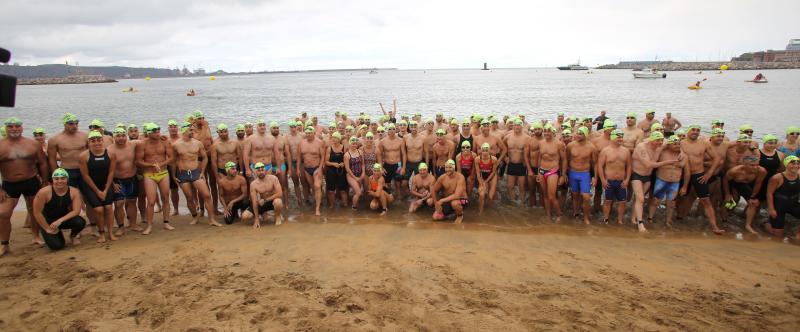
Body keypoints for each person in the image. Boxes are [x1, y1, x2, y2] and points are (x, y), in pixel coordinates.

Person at [0, 117, 49, 254]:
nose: (14, 129)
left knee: (34, 211)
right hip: (9, 184)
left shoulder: (32, 144)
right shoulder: (1, 145)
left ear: (22, 128)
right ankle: (4, 243)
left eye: (17, 126)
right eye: (11, 126)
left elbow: (43, 163)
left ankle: (36, 236)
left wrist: (45, 182)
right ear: (6, 128)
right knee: (3, 214)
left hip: (31, 181)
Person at [172, 122, 221, 227]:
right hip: (183, 173)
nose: (193, 132)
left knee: (207, 195)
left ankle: (211, 219)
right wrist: (173, 175)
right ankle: (195, 216)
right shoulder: (176, 145)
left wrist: (202, 172)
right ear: (185, 130)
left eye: (193, 130)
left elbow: (205, 157)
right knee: (189, 197)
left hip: (195, 172)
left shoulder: (197, 143)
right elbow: (173, 160)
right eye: (191, 130)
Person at [680, 125, 724, 234]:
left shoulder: (703, 143)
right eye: (693, 130)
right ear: (688, 131)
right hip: (684, 175)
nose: (695, 132)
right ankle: (679, 219)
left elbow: (717, 158)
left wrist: (709, 173)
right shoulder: (680, 143)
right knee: (680, 198)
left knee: (706, 200)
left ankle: (714, 227)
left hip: (699, 175)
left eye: (698, 130)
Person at [630, 131, 676, 230]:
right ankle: (640, 223)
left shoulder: (661, 144)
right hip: (637, 175)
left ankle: (633, 218)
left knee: (638, 199)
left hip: (648, 176)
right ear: (651, 140)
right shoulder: (642, 147)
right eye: (657, 140)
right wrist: (667, 162)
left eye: (661, 140)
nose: (660, 142)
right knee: (641, 199)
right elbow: (648, 164)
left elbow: (674, 141)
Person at [135, 123, 175, 235]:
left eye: (158, 130)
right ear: (148, 133)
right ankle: (149, 225)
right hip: (149, 174)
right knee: (151, 201)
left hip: (163, 173)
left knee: (166, 198)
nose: (158, 133)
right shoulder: (142, 144)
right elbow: (138, 161)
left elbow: (172, 157)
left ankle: (166, 222)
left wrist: (161, 164)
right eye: (154, 131)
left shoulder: (165, 142)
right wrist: (151, 165)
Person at [32, 168, 86, 251]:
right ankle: (54, 234)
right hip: (48, 221)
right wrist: (47, 228)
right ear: (52, 180)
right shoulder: (43, 192)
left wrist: (60, 220)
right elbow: (37, 213)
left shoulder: (74, 191)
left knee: (80, 222)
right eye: (56, 179)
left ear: (67, 179)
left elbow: (76, 211)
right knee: (57, 246)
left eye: (63, 178)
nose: (59, 181)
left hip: (63, 219)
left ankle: (73, 236)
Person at [78, 131, 117, 243]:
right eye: (93, 141)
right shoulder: (84, 156)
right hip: (91, 185)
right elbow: (85, 175)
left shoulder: (110, 154)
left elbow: (111, 172)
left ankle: (110, 232)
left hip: (106, 184)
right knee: (98, 209)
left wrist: (105, 189)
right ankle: (101, 233)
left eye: (99, 140)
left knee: (109, 208)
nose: (96, 143)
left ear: (102, 141)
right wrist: (97, 191)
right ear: (89, 142)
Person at [648, 135, 690, 228]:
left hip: (675, 183)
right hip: (661, 181)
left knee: (671, 204)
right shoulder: (662, 153)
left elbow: (687, 173)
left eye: (679, 144)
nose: (677, 146)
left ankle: (668, 221)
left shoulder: (683, 156)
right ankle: (650, 218)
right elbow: (653, 161)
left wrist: (685, 186)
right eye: (674, 144)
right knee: (656, 201)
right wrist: (663, 146)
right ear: (669, 144)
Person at [108, 127, 141, 235]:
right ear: (114, 137)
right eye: (118, 136)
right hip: (118, 180)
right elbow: (107, 169)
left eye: (123, 136)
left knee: (132, 202)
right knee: (118, 204)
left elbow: (148, 140)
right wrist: (112, 183)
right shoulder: (109, 150)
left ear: (126, 136)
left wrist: (163, 137)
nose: (121, 138)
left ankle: (133, 224)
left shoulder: (132, 144)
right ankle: (121, 227)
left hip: (132, 178)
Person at [722, 155, 767, 234]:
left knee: (753, 203)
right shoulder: (735, 171)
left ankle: (748, 225)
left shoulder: (761, 171)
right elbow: (725, 180)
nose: (755, 167)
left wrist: (753, 196)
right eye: (752, 165)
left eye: (757, 165)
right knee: (732, 201)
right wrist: (727, 194)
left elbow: (758, 184)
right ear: (745, 164)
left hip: (746, 185)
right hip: (733, 184)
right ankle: (724, 218)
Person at [597, 129, 632, 225]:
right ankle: (606, 219)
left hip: (621, 181)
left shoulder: (626, 151)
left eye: (621, 137)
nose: (620, 139)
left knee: (623, 202)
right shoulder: (605, 151)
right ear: (612, 137)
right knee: (608, 201)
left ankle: (620, 220)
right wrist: (603, 180)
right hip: (609, 180)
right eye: (618, 137)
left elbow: (629, 166)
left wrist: (627, 180)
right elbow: (600, 166)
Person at [565, 126, 597, 224]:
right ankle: (576, 214)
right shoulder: (570, 145)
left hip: (585, 174)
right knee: (575, 195)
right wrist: (564, 174)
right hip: (572, 173)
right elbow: (566, 160)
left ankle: (586, 217)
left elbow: (595, 164)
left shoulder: (592, 147)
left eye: (581, 133)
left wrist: (595, 177)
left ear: (586, 135)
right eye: (577, 133)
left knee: (586, 197)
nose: (578, 135)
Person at [765, 156, 800, 238]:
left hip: (793, 204)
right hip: (779, 206)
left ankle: (798, 234)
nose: (796, 166)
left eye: (798, 164)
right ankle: (766, 224)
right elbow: (769, 193)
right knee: (778, 236)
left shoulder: (799, 176)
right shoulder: (777, 178)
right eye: (793, 163)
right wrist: (771, 209)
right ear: (786, 164)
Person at [537, 124, 566, 221]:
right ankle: (548, 215)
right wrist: (538, 172)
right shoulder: (541, 143)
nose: (546, 133)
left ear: (553, 132)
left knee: (551, 196)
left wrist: (563, 175)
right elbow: (540, 157)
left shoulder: (559, 144)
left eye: (549, 131)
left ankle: (559, 214)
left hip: (552, 171)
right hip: (542, 170)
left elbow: (564, 160)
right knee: (544, 195)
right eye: (545, 131)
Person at [241, 162, 284, 227]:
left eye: (262, 170)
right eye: (258, 171)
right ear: (255, 172)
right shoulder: (253, 184)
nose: (261, 172)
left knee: (278, 202)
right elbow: (254, 202)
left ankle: (277, 216)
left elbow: (280, 194)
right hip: (262, 203)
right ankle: (262, 215)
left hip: (272, 201)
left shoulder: (273, 178)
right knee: (245, 216)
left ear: (265, 171)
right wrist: (256, 219)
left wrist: (266, 200)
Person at [298, 126, 325, 216]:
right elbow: (299, 157)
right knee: (313, 187)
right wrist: (298, 168)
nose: (308, 135)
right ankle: (319, 202)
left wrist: (320, 169)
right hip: (306, 169)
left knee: (317, 186)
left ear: (314, 133)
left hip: (316, 167)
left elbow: (322, 157)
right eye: (307, 133)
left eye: (310, 133)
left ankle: (317, 209)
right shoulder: (302, 143)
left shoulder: (319, 143)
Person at [431, 159, 468, 224]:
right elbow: (434, 190)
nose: (448, 169)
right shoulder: (442, 178)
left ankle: (460, 215)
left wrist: (442, 200)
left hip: (462, 200)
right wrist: (436, 203)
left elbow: (457, 195)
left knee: (455, 203)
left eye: (450, 167)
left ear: (454, 168)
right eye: (446, 167)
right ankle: (452, 213)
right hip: (448, 200)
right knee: (435, 217)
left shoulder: (460, 177)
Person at [378, 123, 407, 195]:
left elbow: (404, 154)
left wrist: (403, 167)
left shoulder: (401, 140)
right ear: (387, 131)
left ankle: (399, 199)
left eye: (393, 129)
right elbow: (380, 155)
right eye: (389, 129)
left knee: (398, 183)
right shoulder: (382, 141)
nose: (391, 131)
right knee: (387, 183)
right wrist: (381, 167)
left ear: (396, 130)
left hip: (398, 165)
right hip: (387, 165)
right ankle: (388, 196)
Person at [504, 119, 528, 202]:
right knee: (510, 186)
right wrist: (505, 157)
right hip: (511, 164)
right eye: (515, 125)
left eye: (519, 125)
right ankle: (514, 203)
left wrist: (527, 162)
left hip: (522, 165)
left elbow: (531, 151)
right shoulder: (508, 137)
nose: (517, 127)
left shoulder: (527, 138)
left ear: (522, 126)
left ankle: (522, 203)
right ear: (513, 126)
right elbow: (503, 147)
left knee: (522, 187)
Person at [324, 132, 349, 208]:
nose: (333, 139)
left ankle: (345, 205)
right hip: (331, 171)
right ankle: (332, 205)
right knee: (331, 190)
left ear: (339, 139)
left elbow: (347, 159)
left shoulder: (344, 148)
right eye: (333, 138)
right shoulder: (329, 148)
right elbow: (326, 162)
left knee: (343, 190)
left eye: (335, 138)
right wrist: (333, 164)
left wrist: (343, 164)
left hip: (341, 171)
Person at [476, 143, 499, 213]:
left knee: (490, 197)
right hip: (482, 176)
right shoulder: (477, 159)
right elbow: (477, 173)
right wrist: (481, 182)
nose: (485, 152)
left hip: (492, 176)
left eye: (486, 150)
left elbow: (493, 172)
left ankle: (489, 210)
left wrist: (487, 181)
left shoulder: (494, 159)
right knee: (482, 194)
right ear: (481, 151)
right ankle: (480, 211)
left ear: (489, 151)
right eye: (483, 150)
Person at [344, 137, 365, 209]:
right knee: (358, 192)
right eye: (353, 143)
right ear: (350, 144)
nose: (354, 145)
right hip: (351, 175)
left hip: (360, 174)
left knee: (357, 192)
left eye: (355, 144)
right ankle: (354, 207)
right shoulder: (347, 155)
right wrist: (355, 177)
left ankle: (356, 203)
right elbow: (347, 169)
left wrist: (363, 173)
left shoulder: (360, 152)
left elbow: (363, 164)